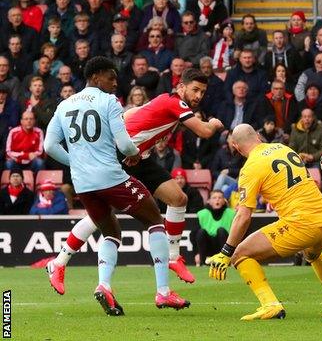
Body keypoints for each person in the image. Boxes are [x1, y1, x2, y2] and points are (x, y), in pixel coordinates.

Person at [45, 68, 224, 294]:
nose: (198, 96)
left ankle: (173, 257)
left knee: (178, 198)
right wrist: (216, 124)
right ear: (181, 87)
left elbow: (131, 114)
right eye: (195, 90)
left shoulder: (162, 101)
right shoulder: (175, 103)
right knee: (99, 218)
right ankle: (59, 263)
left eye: (202, 92)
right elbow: (205, 132)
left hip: (139, 157)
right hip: (121, 155)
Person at [206, 123, 322, 320]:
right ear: (258, 136)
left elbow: (243, 216)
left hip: (301, 224)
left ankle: (271, 305)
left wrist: (225, 252)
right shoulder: (284, 149)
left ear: (237, 147)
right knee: (313, 253)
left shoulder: (250, 167)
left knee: (240, 254)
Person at [193, 189, 234, 265]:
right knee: (201, 232)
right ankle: (202, 263)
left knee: (221, 231)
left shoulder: (231, 213)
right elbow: (193, 235)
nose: (217, 200)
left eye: (220, 197)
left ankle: (225, 261)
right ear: (209, 201)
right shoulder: (202, 214)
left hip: (225, 247)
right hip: (208, 247)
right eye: (214, 198)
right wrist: (196, 253)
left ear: (224, 200)